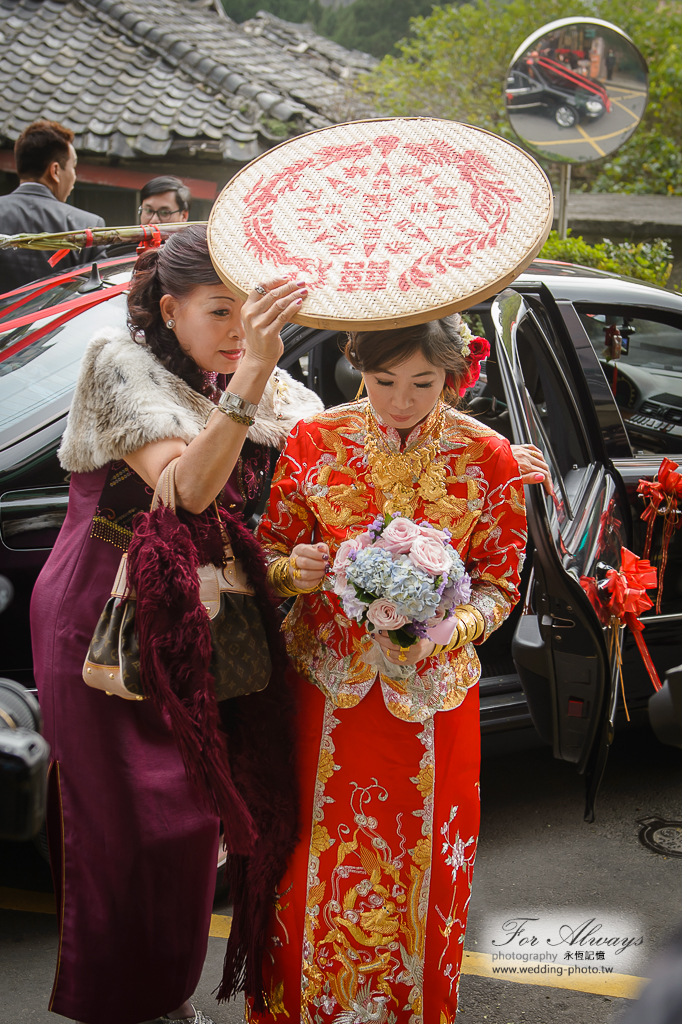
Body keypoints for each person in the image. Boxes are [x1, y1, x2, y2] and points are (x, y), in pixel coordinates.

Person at [30, 225, 322, 1024]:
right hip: (101, 608)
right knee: (124, 826)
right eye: (220, 312)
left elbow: (327, 473)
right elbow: (184, 493)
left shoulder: (278, 391)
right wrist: (254, 373)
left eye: (250, 315)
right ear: (170, 306)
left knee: (195, 823)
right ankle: (117, 1002)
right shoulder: (120, 365)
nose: (238, 332)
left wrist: (480, 450)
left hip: (202, 615)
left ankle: (164, 996)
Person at [251, 313, 528, 1021]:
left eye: (422, 383)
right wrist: (297, 570)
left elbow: (501, 582)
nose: (400, 401)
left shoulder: (488, 456)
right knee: (309, 861)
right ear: (355, 366)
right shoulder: (315, 440)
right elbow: (267, 553)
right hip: (325, 686)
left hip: (431, 696)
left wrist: (450, 628)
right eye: (382, 381)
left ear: (453, 377)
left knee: (425, 863)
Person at [0, 120, 104, 292]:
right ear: (55, 171)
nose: (74, 177)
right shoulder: (88, 226)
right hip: (59, 319)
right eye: (73, 167)